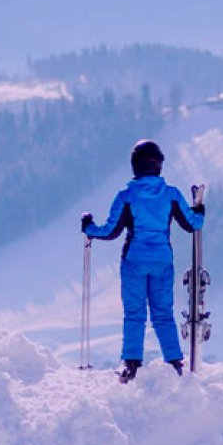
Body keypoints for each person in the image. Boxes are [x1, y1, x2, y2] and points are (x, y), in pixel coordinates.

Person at [82, 140, 205, 383]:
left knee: (135, 313)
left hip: (134, 262)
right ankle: (174, 363)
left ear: (135, 166)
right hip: (162, 262)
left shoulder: (127, 196)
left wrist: (88, 227)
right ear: (159, 166)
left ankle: (131, 365)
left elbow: (110, 231)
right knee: (163, 314)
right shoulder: (171, 195)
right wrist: (199, 209)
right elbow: (194, 225)